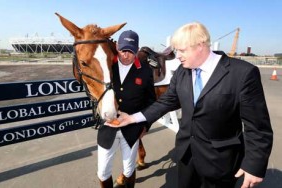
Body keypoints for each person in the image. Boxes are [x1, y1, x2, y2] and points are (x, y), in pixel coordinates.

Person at [108, 22, 273, 188]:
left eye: (182, 50)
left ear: (200, 46)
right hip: (186, 157)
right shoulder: (182, 71)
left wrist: (254, 166)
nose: (177, 55)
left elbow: (258, 127)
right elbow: (167, 101)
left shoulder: (242, 73)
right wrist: (133, 118)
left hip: (220, 162)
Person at [97, 30, 156, 188]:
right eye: (123, 50)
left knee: (129, 170)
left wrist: (146, 125)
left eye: (130, 51)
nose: (126, 55)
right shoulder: (107, 65)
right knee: (102, 172)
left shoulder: (145, 71)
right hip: (107, 128)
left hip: (132, 130)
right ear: (117, 47)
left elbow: (151, 100)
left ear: (136, 51)